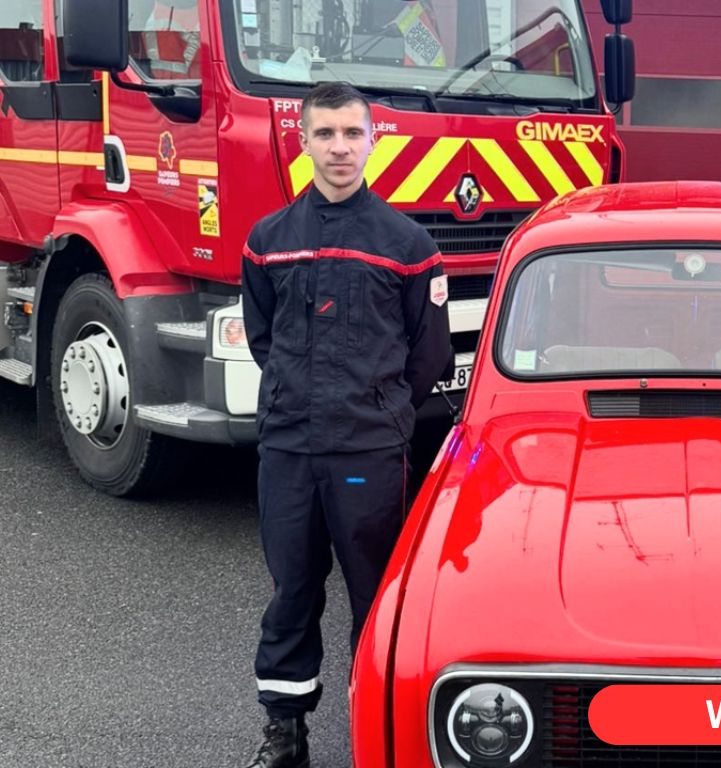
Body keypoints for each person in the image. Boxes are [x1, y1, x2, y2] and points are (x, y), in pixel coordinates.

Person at [239, 82, 452, 768]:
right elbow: (262, 339)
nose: (338, 147)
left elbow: (430, 355)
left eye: (351, 134)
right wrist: (299, 401)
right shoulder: (268, 241)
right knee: (292, 588)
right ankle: (284, 734)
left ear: (372, 140)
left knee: (377, 594)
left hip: (367, 447)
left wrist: (381, 411)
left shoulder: (407, 244)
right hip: (290, 449)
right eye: (324, 133)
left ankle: (379, 730)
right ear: (303, 141)